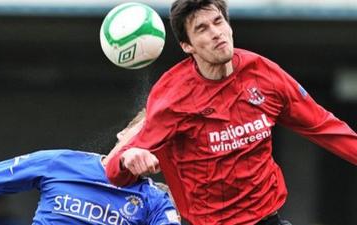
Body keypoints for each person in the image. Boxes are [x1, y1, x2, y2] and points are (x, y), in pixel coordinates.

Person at [105, 0, 357, 225]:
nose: (216, 33)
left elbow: (324, 127)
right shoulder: (171, 97)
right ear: (186, 45)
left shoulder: (264, 74)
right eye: (202, 29)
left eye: (218, 21)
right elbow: (117, 171)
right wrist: (129, 158)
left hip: (268, 219)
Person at [0, 109, 181, 225]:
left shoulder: (156, 200)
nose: (145, 145)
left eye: (155, 143)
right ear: (122, 134)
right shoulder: (58, 163)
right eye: (142, 133)